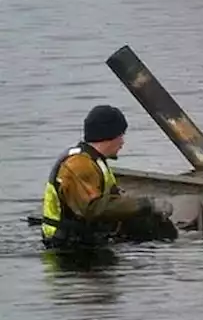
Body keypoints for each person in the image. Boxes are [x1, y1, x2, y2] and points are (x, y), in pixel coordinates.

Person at [41, 105, 177, 249]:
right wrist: (146, 204)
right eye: (121, 135)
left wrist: (145, 211)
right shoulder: (78, 165)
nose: (122, 142)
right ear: (108, 136)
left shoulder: (95, 161)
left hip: (85, 238)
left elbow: (113, 199)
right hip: (66, 246)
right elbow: (93, 208)